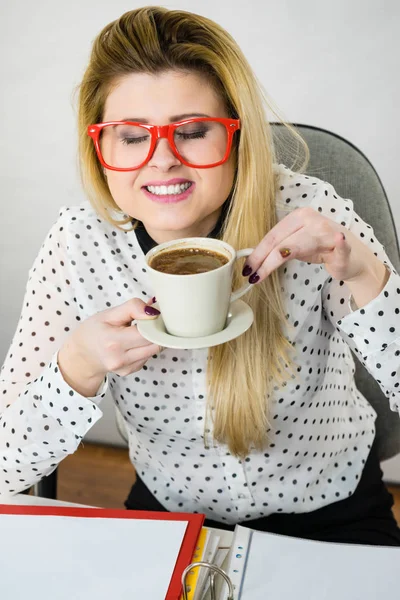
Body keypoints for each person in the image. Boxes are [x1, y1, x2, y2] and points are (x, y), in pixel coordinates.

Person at [1, 6, 400, 547]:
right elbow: (8, 466)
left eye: (191, 131)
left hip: (335, 507)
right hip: (171, 514)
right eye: (130, 136)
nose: (162, 159)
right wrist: (76, 366)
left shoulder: (311, 213)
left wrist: (363, 274)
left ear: (235, 135)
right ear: (99, 146)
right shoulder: (78, 246)